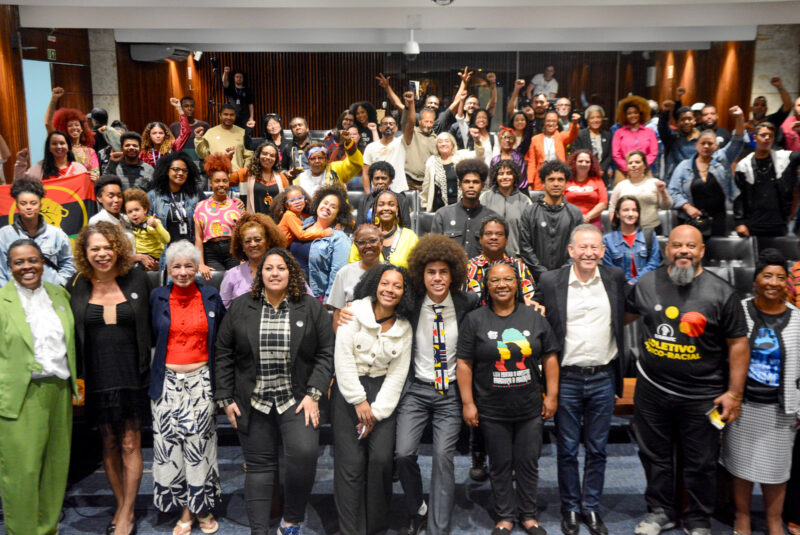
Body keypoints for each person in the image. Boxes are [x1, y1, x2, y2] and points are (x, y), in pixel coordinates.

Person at [626, 225, 749, 535]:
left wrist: (734, 394)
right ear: (667, 250)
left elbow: (738, 345)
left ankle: (697, 519)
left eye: (691, 246)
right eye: (677, 245)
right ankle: (660, 511)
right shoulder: (647, 283)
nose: (683, 251)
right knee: (654, 456)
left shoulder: (722, 293)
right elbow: (620, 316)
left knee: (701, 461)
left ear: (701, 251)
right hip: (652, 391)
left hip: (703, 395)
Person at [215, 247, 334, 535]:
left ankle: (290, 522)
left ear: (291, 273)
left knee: (305, 454)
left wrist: (314, 394)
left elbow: (326, 353)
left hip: (297, 399)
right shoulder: (242, 307)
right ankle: (258, 531)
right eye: (269, 268)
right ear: (261, 274)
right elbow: (223, 352)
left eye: (281, 268)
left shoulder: (310, 307)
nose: (275, 273)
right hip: (253, 400)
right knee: (259, 467)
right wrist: (225, 398)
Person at [534, 225, 628, 535]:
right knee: (567, 449)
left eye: (595, 247)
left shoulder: (615, 277)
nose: (589, 253)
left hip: (603, 376)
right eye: (583, 247)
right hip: (567, 378)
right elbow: (535, 313)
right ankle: (571, 509)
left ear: (603, 251)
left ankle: (592, 507)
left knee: (598, 449)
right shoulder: (551, 281)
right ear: (571, 250)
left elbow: (629, 313)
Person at [457, 260, 560, 535]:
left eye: (507, 280)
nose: (501, 285)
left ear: (517, 285)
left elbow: (550, 356)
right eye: (495, 280)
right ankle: (505, 516)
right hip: (491, 408)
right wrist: (468, 403)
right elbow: (464, 363)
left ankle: (528, 515)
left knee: (528, 463)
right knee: (500, 464)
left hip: (529, 407)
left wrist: (551, 396)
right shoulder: (475, 320)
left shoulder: (534, 317)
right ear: (487, 286)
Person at [67, 222, 154, 535]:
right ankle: (120, 504)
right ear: (85, 252)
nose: (102, 254)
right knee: (109, 443)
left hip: (133, 374)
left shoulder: (137, 279)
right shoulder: (77, 285)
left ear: (117, 248)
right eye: (95, 248)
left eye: (107, 247)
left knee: (131, 443)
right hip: (97, 376)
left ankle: (127, 513)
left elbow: (153, 324)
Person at [393, 233, 480, 535]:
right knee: (403, 454)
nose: (438, 278)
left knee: (444, 457)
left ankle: (438, 529)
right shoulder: (411, 303)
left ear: (453, 274)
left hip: (450, 392)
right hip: (416, 390)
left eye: (443, 272)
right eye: (431, 272)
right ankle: (418, 508)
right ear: (422, 274)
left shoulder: (467, 303)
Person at [719, 249, 800, 535]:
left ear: (787, 283)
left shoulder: (798, 319)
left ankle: (774, 520)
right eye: (767, 276)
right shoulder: (739, 310)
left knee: (777, 469)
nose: (773, 283)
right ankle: (742, 516)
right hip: (742, 404)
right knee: (740, 464)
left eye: (780, 277)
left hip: (781, 407)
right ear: (755, 280)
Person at [0, 239, 77, 535]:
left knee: (55, 470)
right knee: (22, 473)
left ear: (43, 262)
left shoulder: (59, 294)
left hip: (59, 391)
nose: (27, 267)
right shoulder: (3, 301)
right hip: (20, 396)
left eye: (33, 260)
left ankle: (47, 530)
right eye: (19, 262)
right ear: (9, 266)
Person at [332, 263, 413, 535]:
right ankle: (350, 530)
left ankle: (376, 528)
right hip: (349, 391)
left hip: (383, 397)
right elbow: (342, 358)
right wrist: (358, 401)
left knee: (380, 460)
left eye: (397, 286)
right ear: (375, 284)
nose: (390, 290)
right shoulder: (354, 311)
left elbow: (398, 375)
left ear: (404, 292)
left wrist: (374, 414)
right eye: (385, 283)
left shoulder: (404, 327)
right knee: (351, 464)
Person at [149, 241, 224, 535]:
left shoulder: (211, 296)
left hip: (201, 380)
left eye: (188, 266)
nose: (182, 272)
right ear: (168, 269)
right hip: (166, 381)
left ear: (197, 268)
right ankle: (184, 508)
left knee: (199, 446)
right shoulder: (156, 296)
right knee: (170, 445)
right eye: (176, 266)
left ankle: (199, 508)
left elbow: (221, 341)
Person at [668, 106, 745, 236]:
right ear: (696, 145)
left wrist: (740, 118)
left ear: (716, 146)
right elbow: (673, 191)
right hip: (690, 219)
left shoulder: (723, 159)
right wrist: (687, 207)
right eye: (703, 143)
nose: (706, 146)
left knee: (717, 248)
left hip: (717, 220)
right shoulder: (684, 166)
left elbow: (738, 141)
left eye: (710, 144)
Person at [0, 178, 75, 286]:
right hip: (15, 293)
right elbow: (1, 271)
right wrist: (7, 293)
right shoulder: (4, 235)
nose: (28, 207)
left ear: (40, 205)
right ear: (17, 206)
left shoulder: (57, 234)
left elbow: (69, 265)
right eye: (23, 203)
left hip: (50, 292)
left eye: (33, 203)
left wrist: (59, 285)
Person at [519, 159, 584, 278]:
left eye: (560, 179)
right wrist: (543, 274)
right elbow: (525, 248)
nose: (556, 184)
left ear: (566, 183)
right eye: (551, 179)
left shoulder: (575, 213)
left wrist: (561, 274)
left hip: (567, 277)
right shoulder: (529, 212)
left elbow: (579, 246)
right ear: (543, 183)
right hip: (536, 278)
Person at [734, 122, 800, 238]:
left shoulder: (784, 158)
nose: (767, 138)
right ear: (755, 137)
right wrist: (739, 222)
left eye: (770, 136)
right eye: (763, 135)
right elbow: (738, 196)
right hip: (753, 223)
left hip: (779, 222)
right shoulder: (744, 165)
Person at [290, 184, 352, 301]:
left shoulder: (340, 239)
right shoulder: (303, 224)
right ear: (318, 203)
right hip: (291, 292)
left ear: (338, 214)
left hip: (315, 298)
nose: (327, 207)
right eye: (325, 203)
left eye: (333, 207)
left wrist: (328, 302)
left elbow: (337, 275)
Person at [431, 158, 499, 260]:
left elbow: (496, 253)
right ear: (460, 186)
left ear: (482, 186)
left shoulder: (492, 218)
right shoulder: (443, 215)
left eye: (475, 182)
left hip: (482, 269)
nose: (471, 186)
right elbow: (434, 251)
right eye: (467, 182)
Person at [220, 212, 286, 308]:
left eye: (258, 239)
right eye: (247, 241)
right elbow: (223, 309)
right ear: (242, 246)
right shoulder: (232, 275)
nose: (253, 244)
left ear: (268, 242)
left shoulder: (286, 271)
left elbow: (306, 302)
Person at [193, 153, 246, 274]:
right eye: (217, 181)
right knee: (216, 281)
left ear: (229, 183)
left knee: (235, 282)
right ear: (210, 183)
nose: (221, 185)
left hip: (233, 251)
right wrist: (200, 264)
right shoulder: (200, 207)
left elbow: (244, 235)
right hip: (211, 253)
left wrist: (244, 258)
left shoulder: (237, 205)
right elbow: (198, 238)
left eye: (224, 181)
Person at [466, 215, 536, 306]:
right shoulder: (468, 268)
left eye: (499, 234)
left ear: (506, 240)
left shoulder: (519, 267)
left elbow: (529, 300)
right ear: (480, 239)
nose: (494, 237)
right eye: (488, 233)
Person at [327, 224, 382, 325]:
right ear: (356, 246)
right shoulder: (344, 273)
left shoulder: (391, 272)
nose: (368, 246)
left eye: (373, 241)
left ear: (381, 243)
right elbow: (337, 313)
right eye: (361, 242)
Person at [349, 189, 418, 269]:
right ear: (375, 209)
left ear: (397, 209)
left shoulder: (410, 237)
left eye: (391, 205)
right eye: (381, 205)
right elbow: (352, 268)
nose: (386, 208)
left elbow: (417, 269)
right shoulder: (363, 236)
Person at [361, 91, 414, 193]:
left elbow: (411, 124)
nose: (388, 126)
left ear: (396, 128)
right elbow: (365, 173)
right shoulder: (371, 147)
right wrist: (368, 195)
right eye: (385, 124)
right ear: (380, 128)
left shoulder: (401, 142)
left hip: (399, 191)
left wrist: (411, 104)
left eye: (391, 124)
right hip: (377, 193)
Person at [148, 151, 206, 245]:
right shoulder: (153, 196)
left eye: (185, 170)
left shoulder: (196, 194)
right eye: (176, 169)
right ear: (167, 171)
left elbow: (208, 214)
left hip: (190, 248)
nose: (181, 173)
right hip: (165, 250)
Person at [602, 195, 661, 284]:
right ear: (617, 214)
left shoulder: (649, 235)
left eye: (634, 210)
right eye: (626, 210)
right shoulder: (607, 240)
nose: (630, 214)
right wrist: (626, 284)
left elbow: (654, 263)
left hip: (645, 284)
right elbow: (609, 269)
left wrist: (634, 282)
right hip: (620, 286)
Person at [608, 150, 672, 231]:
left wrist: (663, 192)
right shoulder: (620, 186)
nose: (633, 165)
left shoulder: (655, 183)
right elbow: (612, 208)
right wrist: (615, 227)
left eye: (637, 162)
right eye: (630, 163)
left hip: (652, 229)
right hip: (627, 230)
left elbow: (667, 206)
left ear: (645, 165)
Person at [421, 131, 484, 212]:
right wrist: (425, 203)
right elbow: (426, 185)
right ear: (437, 146)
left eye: (447, 141)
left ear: (452, 145)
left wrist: (477, 142)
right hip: (439, 208)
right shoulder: (432, 161)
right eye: (440, 142)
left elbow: (479, 156)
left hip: (461, 206)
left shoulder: (461, 156)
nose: (443, 144)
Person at [479, 160, 532, 256]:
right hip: (488, 256)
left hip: (516, 257)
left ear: (514, 176)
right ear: (495, 177)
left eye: (509, 173)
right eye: (501, 174)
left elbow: (528, 234)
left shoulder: (525, 201)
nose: (505, 177)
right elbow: (479, 228)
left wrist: (522, 256)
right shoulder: (485, 198)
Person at [45, 87, 100, 179]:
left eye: (77, 125)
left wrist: (95, 177)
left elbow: (96, 173)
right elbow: (48, 123)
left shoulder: (90, 151)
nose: (74, 128)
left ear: (82, 129)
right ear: (65, 129)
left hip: (85, 186)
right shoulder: (61, 149)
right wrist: (54, 99)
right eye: (70, 125)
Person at [525, 110, 580, 190]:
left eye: (553, 121)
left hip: (559, 176)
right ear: (544, 123)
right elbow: (532, 163)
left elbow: (572, 136)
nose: (551, 123)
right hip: (540, 179)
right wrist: (530, 182)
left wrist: (574, 124)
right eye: (548, 121)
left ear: (557, 124)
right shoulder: (535, 139)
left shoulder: (561, 136)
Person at [294, 134, 363, 197]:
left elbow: (355, 164)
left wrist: (349, 143)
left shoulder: (335, 169)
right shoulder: (300, 179)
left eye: (320, 158)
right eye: (313, 159)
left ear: (326, 160)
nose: (317, 161)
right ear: (308, 162)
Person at [611, 96, 658, 184]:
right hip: (623, 172)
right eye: (629, 113)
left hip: (645, 171)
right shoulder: (619, 133)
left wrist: (641, 167)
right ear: (625, 115)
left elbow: (653, 153)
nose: (633, 115)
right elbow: (616, 154)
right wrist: (628, 168)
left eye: (635, 113)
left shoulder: (650, 132)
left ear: (640, 114)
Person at [13, 131, 89, 181]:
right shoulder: (40, 167)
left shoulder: (79, 168)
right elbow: (20, 182)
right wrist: (21, 161)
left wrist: (93, 179)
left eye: (62, 143)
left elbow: (86, 188)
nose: (59, 146)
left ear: (68, 146)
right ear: (49, 148)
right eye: (54, 144)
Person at [355, 161, 411, 227]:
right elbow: (358, 226)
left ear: (390, 180)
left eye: (384, 178)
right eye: (377, 178)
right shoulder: (364, 200)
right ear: (372, 180)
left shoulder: (401, 199)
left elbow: (406, 225)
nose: (380, 182)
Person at [195, 104, 250, 172]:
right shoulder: (210, 133)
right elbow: (203, 155)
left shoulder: (243, 132)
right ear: (220, 116)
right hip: (216, 174)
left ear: (235, 116)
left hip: (237, 174)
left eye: (232, 115)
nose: (229, 117)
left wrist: (245, 172)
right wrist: (198, 138)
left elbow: (248, 156)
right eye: (226, 114)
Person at [124, 188, 170, 266]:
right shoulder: (129, 223)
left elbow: (166, 239)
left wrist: (156, 226)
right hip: (137, 258)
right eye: (130, 212)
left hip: (152, 258)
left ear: (145, 209)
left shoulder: (152, 222)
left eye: (137, 210)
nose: (134, 214)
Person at [139, 98, 192, 167]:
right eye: (154, 133)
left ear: (165, 135)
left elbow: (186, 132)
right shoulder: (144, 153)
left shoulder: (172, 147)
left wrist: (179, 108)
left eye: (161, 133)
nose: (158, 136)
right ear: (149, 136)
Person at [565, 149, 608, 230]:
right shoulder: (566, 181)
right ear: (574, 163)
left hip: (592, 221)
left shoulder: (597, 180)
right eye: (580, 161)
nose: (584, 164)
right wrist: (577, 217)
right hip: (569, 221)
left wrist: (587, 217)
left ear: (591, 164)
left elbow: (603, 203)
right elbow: (560, 202)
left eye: (587, 162)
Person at [746, 77, 793, 148]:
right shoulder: (747, 125)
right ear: (751, 108)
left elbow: (788, 106)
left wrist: (779, 87)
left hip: (771, 152)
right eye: (756, 105)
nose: (759, 107)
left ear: (766, 109)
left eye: (763, 105)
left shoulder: (773, 120)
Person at [571, 105, 613, 183]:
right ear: (588, 120)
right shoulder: (580, 135)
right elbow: (576, 154)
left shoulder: (607, 135)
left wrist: (601, 169)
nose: (595, 120)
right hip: (583, 173)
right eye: (592, 118)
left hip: (602, 174)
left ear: (602, 119)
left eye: (598, 117)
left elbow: (609, 155)